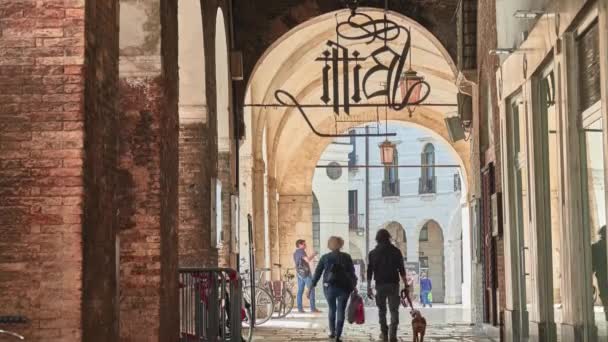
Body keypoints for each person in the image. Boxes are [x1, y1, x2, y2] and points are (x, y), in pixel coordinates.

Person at [367, 229, 412, 342]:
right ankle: (393, 335)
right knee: (394, 311)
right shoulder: (396, 251)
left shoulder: (373, 253)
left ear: (377, 239)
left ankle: (384, 333)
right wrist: (406, 284)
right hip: (393, 284)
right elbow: (401, 269)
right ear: (388, 237)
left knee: (381, 311)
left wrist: (368, 286)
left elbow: (369, 271)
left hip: (380, 285)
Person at [310, 236, 356, 342]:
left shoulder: (325, 257)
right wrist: (354, 286)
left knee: (332, 309)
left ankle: (332, 332)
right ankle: (338, 334)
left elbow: (318, 273)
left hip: (329, 287)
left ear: (329, 245)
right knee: (341, 310)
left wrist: (312, 286)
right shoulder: (347, 257)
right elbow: (352, 273)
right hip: (344, 288)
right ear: (341, 244)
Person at [293, 239, 320, 313]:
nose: (305, 246)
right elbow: (307, 260)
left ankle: (300, 309)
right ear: (300, 245)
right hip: (305, 274)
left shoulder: (295, 253)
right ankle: (313, 308)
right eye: (304, 244)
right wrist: (314, 254)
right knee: (311, 289)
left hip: (299, 273)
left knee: (300, 291)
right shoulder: (301, 251)